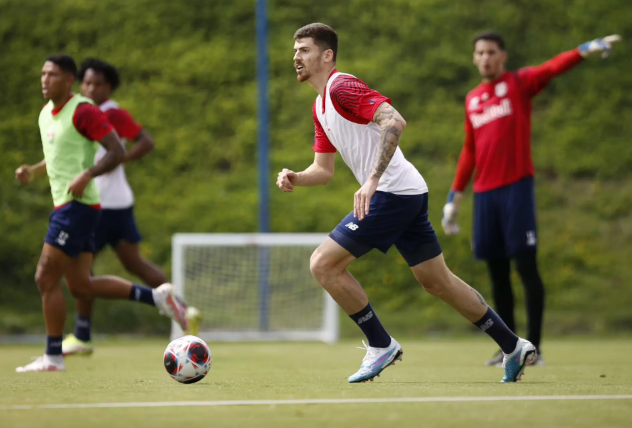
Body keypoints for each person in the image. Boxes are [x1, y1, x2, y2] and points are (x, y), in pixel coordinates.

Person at [277, 23, 536, 384]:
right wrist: (297, 177)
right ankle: (513, 345)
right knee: (437, 282)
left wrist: (372, 180)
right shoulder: (320, 106)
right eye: (295, 51)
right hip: (408, 191)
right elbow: (323, 169)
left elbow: (394, 120)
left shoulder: (342, 87)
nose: (296, 57)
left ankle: (380, 344)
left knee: (323, 264)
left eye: (303, 49)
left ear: (327, 55)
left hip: (392, 193)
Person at [441, 32, 621, 366]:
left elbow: (552, 68)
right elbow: (470, 150)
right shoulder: (473, 99)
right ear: (474, 58)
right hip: (485, 196)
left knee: (525, 266)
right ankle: (510, 347)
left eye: (491, 52)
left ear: (503, 56)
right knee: (497, 273)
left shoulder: (519, 84)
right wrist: (455, 196)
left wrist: (583, 50)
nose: (485, 58)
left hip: (516, 189)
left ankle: (534, 348)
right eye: (479, 53)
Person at [14, 54, 188, 372]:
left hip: (77, 208)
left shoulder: (84, 111)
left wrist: (87, 175)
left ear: (69, 80)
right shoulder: (46, 115)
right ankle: (158, 298)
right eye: (42, 74)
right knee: (81, 285)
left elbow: (117, 149)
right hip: (68, 206)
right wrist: (33, 173)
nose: (44, 79)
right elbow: (57, 157)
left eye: (52, 74)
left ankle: (53, 356)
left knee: (45, 277)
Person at [60, 58, 200, 356]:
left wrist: (119, 159)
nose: (90, 87)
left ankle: (83, 336)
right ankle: (185, 311)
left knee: (81, 274)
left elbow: (145, 141)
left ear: (109, 88)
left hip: (100, 205)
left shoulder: (111, 113)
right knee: (134, 264)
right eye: (86, 82)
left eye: (97, 83)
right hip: (119, 202)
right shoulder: (83, 113)